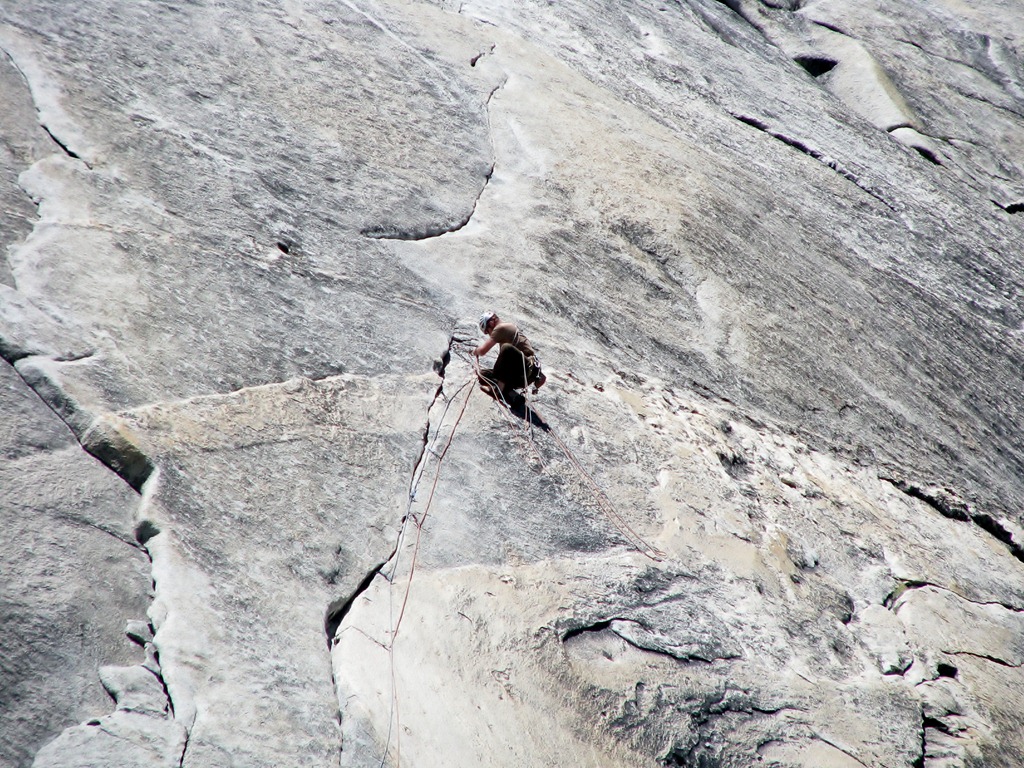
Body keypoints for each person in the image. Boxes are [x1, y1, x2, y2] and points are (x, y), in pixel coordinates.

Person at [473, 311, 546, 402]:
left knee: (506, 348)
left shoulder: (501, 328)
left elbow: (482, 351)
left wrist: (474, 351)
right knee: (483, 374)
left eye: (487, 331)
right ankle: (509, 392)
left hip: (526, 369)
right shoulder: (505, 331)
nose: (489, 334)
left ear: (491, 323)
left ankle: (498, 390)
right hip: (519, 374)